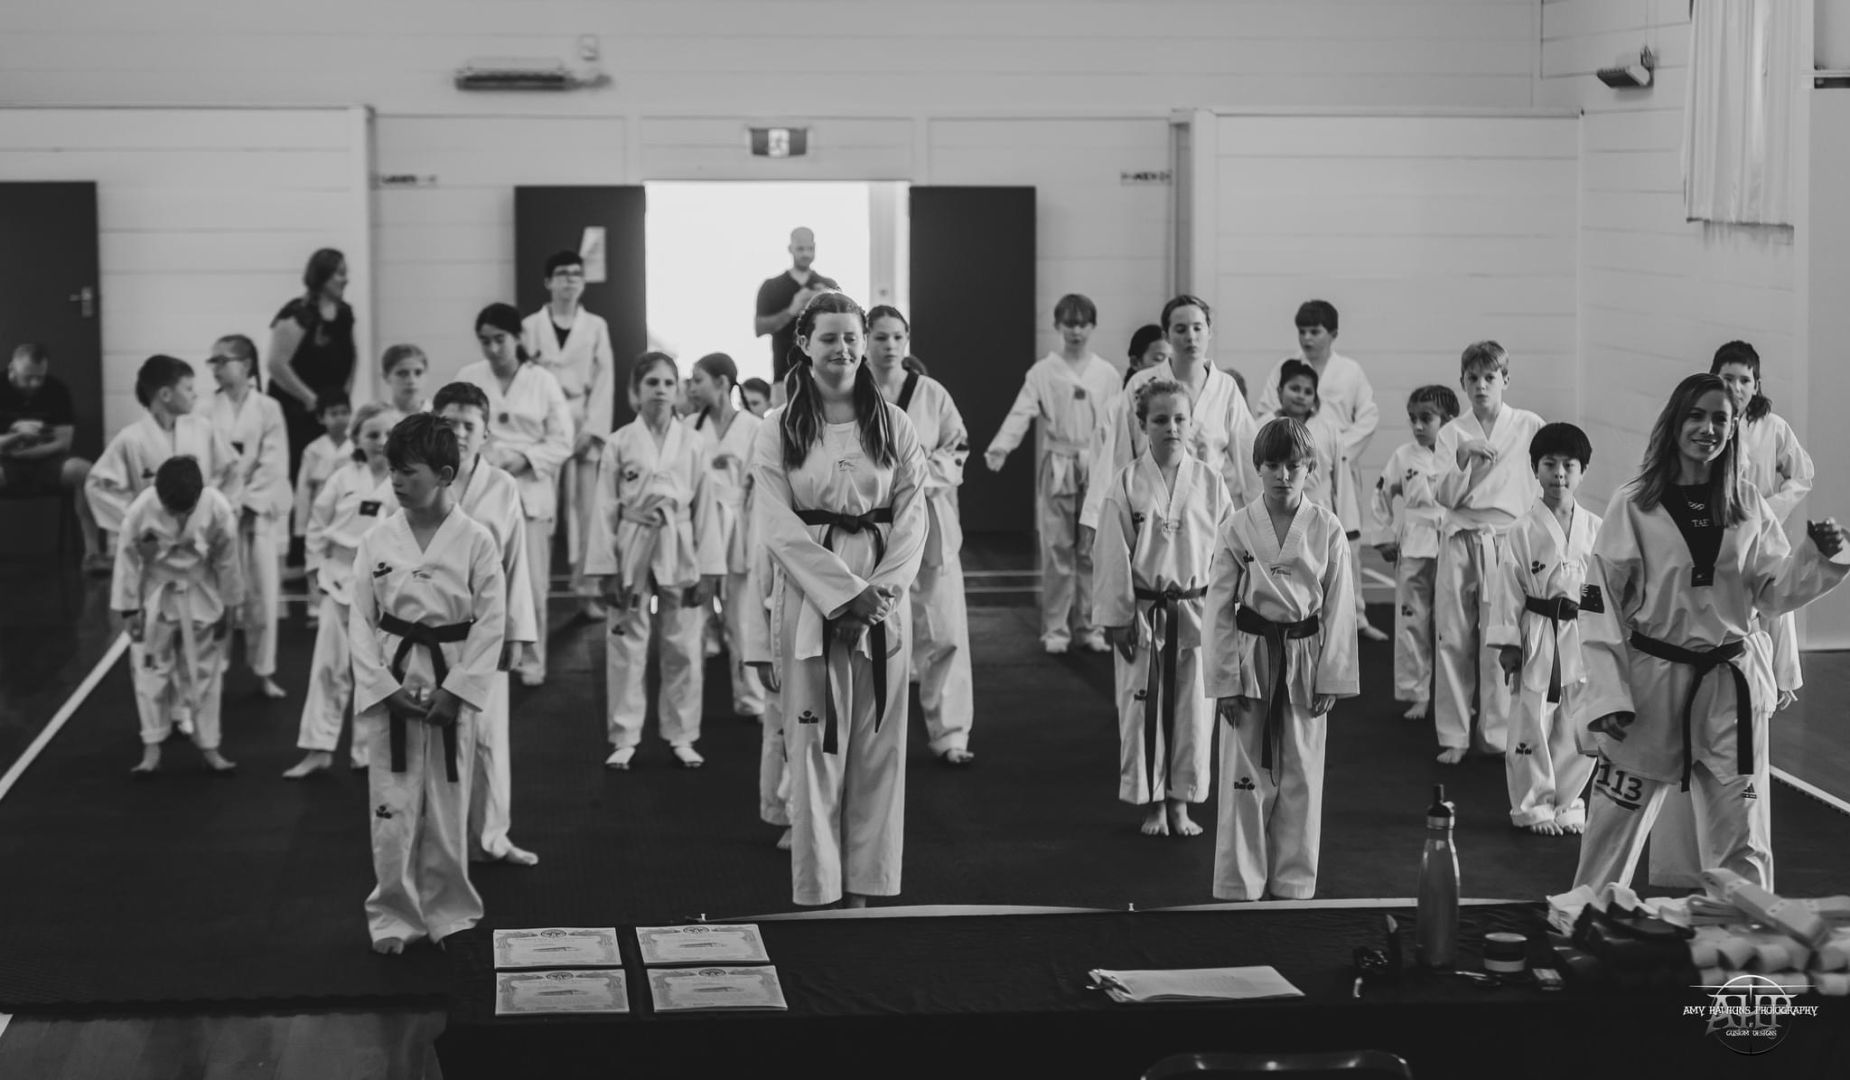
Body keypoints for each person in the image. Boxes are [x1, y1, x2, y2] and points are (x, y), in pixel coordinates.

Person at [1571, 374, 1848, 892]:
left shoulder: (1746, 503)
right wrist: (1606, 693)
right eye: (1696, 416)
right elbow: (1599, 600)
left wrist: (1818, 556)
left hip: (1730, 689)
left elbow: (1772, 592)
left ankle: (1744, 931)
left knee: (1744, 834)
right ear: (1674, 423)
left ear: (1733, 429)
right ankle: (1584, 917)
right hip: (1650, 686)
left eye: (1721, 418)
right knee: (1613, 825)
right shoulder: (1634, 504)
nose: (1708, 428)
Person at [747, 291, 928, 908]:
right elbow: (776, 525)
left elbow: (914, 516)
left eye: (852, 337)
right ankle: (819, 890)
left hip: (882, 599)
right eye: (829, 338)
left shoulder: (894, 423)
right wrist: (844, 597)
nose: (843, 349)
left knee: (879, 749)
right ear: (803, 344)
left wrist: (879, 596)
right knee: (815, 749)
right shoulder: (778, 427)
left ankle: (864, 889)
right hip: (811, 599)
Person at [1649, 340, 1821, 890]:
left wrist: (1779, 517)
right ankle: (1680, 879)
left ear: (1756, 385)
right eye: (1727, 378)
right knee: (1676, 773)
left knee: (1740, 800)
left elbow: (1777, 593)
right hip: (1676, 655)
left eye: (1745, 380)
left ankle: (1743, 902)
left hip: (1742, 613)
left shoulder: (1770, 439)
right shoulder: (1647, 500)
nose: (1736, 389)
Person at [350, 413, 507, 954]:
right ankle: (394, 914)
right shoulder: (376, 538)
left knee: (446, 805)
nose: (395, 480)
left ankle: (450, 911)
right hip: (392, 681)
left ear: (444, 475)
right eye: (391, 469)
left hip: (448, 678)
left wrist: (458, 690)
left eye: (408, 471)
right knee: (391, 808)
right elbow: (359, 620)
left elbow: (492, 620)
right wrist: (382, 687)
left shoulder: (477, 540)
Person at [1204, 418, 1359, 900]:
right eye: (1272, 465)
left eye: (1293, 465)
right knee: (1243, 777)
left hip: (1305, 659)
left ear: (1310, 467)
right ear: (1257, 467)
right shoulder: (1236, 526)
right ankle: (1240, 882)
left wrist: (1332, 676)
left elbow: (1340, 606)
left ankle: (1293, 880)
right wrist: (1224, 682)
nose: (1283, 475)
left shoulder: (1327, 527)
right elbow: (1217, 607)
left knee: (1302, 776)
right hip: (1250, 658)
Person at [1095, 380, 1232, 837]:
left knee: (1194, 714)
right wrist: (1117, 617)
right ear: (1143, 425)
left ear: (1192, 424)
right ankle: (1152, 803)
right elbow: (1111, 553)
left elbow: (1227, 558)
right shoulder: (1126, 483)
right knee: (1142, 711)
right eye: (1160, 419)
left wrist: (1227, 616)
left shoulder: (1212, 483)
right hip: (1144, 613)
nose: (1171, 427)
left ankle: (1180, 803)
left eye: (1179, 418)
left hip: (1197, 611)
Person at [587, 352, 724, 770]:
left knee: (684, 642)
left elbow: (706, 509)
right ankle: (624, 735)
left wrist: (709, 570)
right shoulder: (619, 442)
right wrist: (605, 569)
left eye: (668, 383)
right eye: (652, 383)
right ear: (636, 391)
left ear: (677, 390)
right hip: (632, 539)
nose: (661, 391)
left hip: (679, 539)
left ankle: (682, 734)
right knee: (626, 641)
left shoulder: (694, 443)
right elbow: (604, 507)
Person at [434, 381, 541, 866]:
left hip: (487, 623)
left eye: (468, 424)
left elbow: (516, 562)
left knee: (488, 736)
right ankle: (442, 840)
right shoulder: (421, 480)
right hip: (431, 625)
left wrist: (517, 632)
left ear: (485, 432)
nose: (458, 432)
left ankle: (492, 837)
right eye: (449, 422)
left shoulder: (502, 485)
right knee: (436, 737)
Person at [983, 293, 1123, 655]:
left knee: (1092, 550)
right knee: (1057, 549)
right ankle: (1056, 628)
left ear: (1092, 327)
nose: (1076, 331)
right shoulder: (1043, 372)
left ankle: (1090, 626)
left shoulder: (1107, 374)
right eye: (1069, 324)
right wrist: (1001, 446)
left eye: (1082, 324)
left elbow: (1118, 422)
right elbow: (1022, 411)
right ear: (1058, 326)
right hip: (1058, 462)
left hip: (1096, 464)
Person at [868, 306, 976, 765]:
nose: (890, 345)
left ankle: (950, 733)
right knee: (877, 633)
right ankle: (874, 738)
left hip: (930, 520)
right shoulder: (852, 392)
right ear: (865, 340)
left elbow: (958, 448)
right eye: (880, 337)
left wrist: (913, 476)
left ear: (907, 339)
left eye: (897, 337)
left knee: (944, 628)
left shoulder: (931, 393)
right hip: (875, 524)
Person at [1430, 341, 1545, 765]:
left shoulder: (1529, 425)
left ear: (1505, 380)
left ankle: (1496, 732)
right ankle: (1454, 734)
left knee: (1499, 638)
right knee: (1452, 637)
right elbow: (1443, 496)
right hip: (1461, 537)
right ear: (1462, 382)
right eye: (1473, 378)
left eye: (1490, 377)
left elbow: (1543, 486)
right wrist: (1462, 459)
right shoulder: (1451, 434)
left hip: (1507, 541)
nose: (1481, 386)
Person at [1487, 423, 1601, 836]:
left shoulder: (1596, 527)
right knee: (1532, 720)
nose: (1559, 474)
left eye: (1569, 465)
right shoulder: (1522, 529)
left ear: (1583, 471)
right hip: (1537, 633)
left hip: (1582, 637)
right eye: (1549, 464)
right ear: (1535, 469)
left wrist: (1607, 641)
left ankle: (1567, 801)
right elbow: (1507, 588)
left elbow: (1606, 589)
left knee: (1577, 724)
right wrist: (1509, 645)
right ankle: (1533, 804)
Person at [1082, 295, 1260, 552]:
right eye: (1181, 329)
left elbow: (1250, 459)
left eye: (1198, 328)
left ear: (1209, 332)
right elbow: (1118, 455)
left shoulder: (1225, 388)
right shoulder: (1142, 384)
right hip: (1148, 510)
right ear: (1167, 335)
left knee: (1208, 575)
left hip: (1207, 512)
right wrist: (1097, 516)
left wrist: (1265, 516)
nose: (1191, 337)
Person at [456, 303, 573, 687]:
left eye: (500, 339)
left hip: (528, 490)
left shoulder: (543, 381)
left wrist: (523, 459)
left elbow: (562, 440)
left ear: (518, 338)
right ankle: (472, 653)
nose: (492, 348)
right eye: (485, 341)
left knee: (531, 583)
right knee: (473, 579)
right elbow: (450, 427)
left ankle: (531, 660)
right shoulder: (469, 377)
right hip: (478, 487)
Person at [1253, 302, 1385, 641]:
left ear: (1333, 334)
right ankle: (1289, 613)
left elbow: (1368, 416)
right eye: (1303, 331)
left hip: (1331, 466)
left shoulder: (1350, 372)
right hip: (1286, 469)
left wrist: (1334, 452)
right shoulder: (1284, 367)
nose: (1308, 338)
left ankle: (1355, 617)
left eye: (1315, 331)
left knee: (1344, 546)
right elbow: (1266, 409)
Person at [285, 402, 400, 778]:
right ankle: (318, 748)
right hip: (338, 579)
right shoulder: (342, 478)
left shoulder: (403, 480)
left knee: (376, 670)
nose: (380, 441)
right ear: (356, 438)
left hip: (384, 585)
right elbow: (317, 526)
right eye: (372, 434)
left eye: (388, 433)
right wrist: (313, 574)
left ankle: (367, 751)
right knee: (328, 667)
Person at [114, 456, 243, 777]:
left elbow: (228, 562)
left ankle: (209, 745)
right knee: (149, 668)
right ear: (158, 494)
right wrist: (129, 609)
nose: (179, 517)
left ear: (199, 493)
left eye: (186, 510)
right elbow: (127, 560)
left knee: (206, 671)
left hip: (202, 592)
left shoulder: (218, 508)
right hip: (156, 593)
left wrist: (230, 608)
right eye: (172, 510)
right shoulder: (141, 510)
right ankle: (152, 746)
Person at [522, 251, 616, 623]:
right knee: (542, 511)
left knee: (587, 514)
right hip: (543, 424)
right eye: (562, 274)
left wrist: (593, 429)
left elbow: (605, 377)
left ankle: (586, 592)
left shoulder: (595, 325)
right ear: (549, 282)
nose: (570, 280)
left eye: (577, 274)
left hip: (581, 418)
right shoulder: (530, 326)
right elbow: (525, 378)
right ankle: (535, 593)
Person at [203, 335, 290, 700]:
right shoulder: (205, 410)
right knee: (217, 597)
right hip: (218, 516)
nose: (216, 367)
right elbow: (204, 462)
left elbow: (274, 462)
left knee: (263, 597)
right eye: (213, 361)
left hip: (257, 517)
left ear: (246, 365)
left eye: (223, 360)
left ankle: (264, 671)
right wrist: (223, 504)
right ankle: (215, 668)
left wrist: (249, 504)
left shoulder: (268, 408)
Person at [1365, 386, 1458, 722]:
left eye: (1426, 419)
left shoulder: (1459, 453)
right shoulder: (1403, 456)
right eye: (1413, 419)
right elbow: (1381, 495)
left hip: (1453, 543)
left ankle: (1457, 695)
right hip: (1415, 544)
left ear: (1448, 420)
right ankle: (1417, 693)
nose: (1417, 426)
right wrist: (1382, 537)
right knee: (1411, 621)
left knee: (1454, 627)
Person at [685, 352, 767, 721]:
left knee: (742, 619)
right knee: (694, 618)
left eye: (697, 379)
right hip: (699, 525)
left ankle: (751, 698)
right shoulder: (689, 426)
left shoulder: (754, 427)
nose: (691, 387)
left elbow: (761, 483)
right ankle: (689, 704)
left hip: (741, 524)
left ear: (721, 383)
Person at [87, 355, 241, 543]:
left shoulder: (204, 429)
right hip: (153, 542)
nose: (195, 395)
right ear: (166, 395)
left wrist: (218, 512)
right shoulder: (131, 439)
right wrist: (136, 519)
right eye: (188, 389)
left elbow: (232, 470)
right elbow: (98, 486)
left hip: (201, 538)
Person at [0, 344, 107, 572]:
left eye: (39, 377)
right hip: (5, 460)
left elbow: (63, 443)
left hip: (47, 461)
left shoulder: (56, 390)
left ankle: (93, 554)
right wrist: (17, 436)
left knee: (86, 472)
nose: (34, 384)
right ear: (12, 369)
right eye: (28, 378)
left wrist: (28, 451)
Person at [266, 248, 357, 479]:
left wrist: (344, 398)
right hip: (298, 411)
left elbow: (351, 358)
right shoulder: (298, 314)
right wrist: (311, 400)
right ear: (322, 277)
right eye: (340, 273)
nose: (345, 279)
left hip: (330, 410)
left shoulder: (344, 313)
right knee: (303, 471)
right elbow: (277, 364)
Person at [292, 391, 353, 626]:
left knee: (343, 558)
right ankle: (317, 605)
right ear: (321, 418)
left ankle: (346, 601)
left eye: (344, 412)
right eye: (333, 413)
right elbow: (303, 489)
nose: (340, 418)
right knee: (317, 556)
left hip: (346, 513)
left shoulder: (356, 447)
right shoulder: (313, 450)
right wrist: (301, 525)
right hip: (320, 512)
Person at [755, 227, 840, 390]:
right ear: (790, 249)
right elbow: (760, 328)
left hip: (824, 377)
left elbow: (843, 325)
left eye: (810, 248)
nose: (806, 254)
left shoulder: (829, 286)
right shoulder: (771, 287)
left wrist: (826, 303)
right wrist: (791, 310)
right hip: (784, 377)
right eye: (800, 249)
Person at [1264, 361, 1347, 517]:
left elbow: (1343, 480)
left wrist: (1349, 526)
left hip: (1319, 509)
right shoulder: (1262, 427)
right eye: (1295, 389)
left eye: (1308, 392)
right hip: (1274, 510)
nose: (1301, 396)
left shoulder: (1329, 430)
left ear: (1315, 399)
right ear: (1280, 391)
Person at [381, 345, 431, 417]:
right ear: (386, 377)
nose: (411, 381)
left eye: (418, 373)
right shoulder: (375, 418)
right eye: (402, 373)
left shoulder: (440, 417)